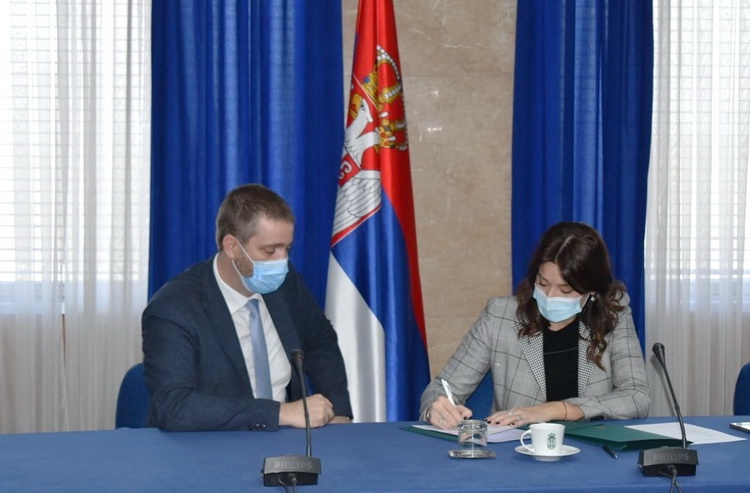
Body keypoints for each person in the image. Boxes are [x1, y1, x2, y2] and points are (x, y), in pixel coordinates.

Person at [142, 184, 352, 431]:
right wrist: (279, 413)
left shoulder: (285, 282)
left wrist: (339, 412)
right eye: (270, 250)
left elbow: (320, 341)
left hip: (286, 439)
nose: (282, 261)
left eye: (287, 249)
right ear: (232, 246)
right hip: (210, 443)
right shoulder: (173, 308)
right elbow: (173, 406)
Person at [420, 222, 649, 430]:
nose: (551, 296)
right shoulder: (500, 316)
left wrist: (558, 409)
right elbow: (443, 387)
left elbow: (637, 397)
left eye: (566, 290)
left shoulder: (613, 316)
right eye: (543, 283)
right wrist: (436, 409)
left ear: (592, 290)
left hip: (592, 450)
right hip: (518, 450)